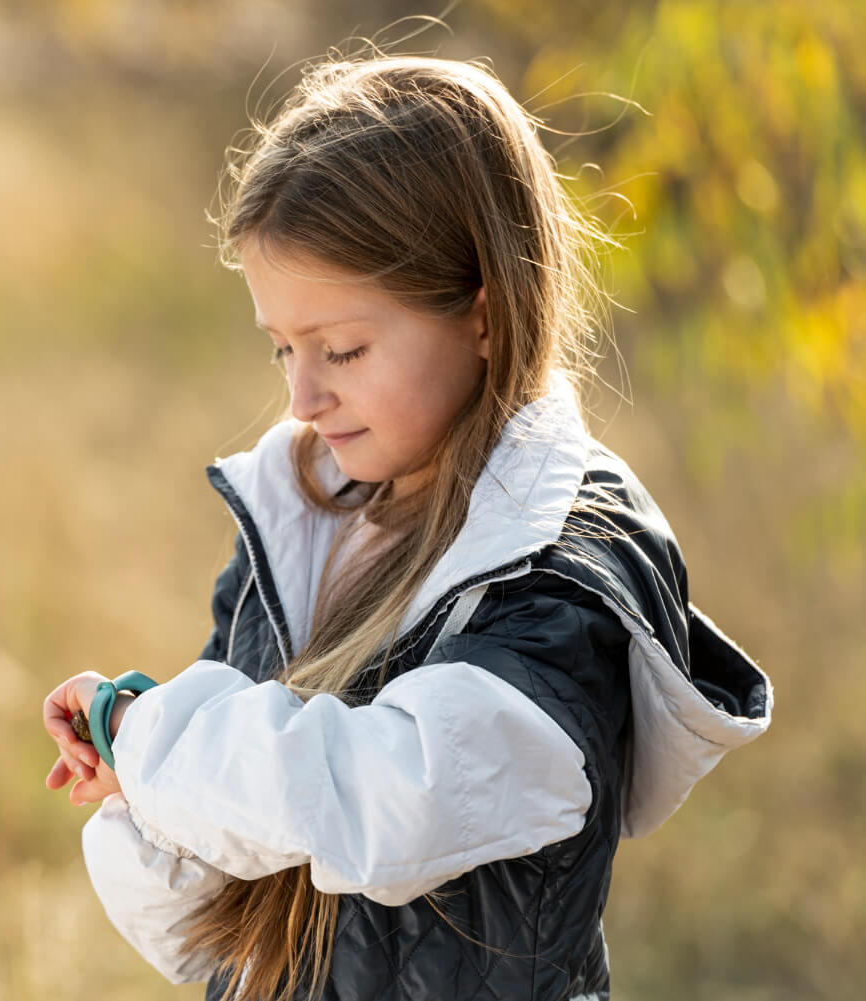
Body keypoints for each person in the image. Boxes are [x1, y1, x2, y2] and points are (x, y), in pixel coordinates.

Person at [39, 50, 773, 1001]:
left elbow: (386, 803)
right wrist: (138, 791)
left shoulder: (565, 574)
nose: (302, 398)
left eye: (342, 347)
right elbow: (214, 934)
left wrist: (160, 745)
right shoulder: (298, 523)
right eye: (282, 349)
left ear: (482, 310)